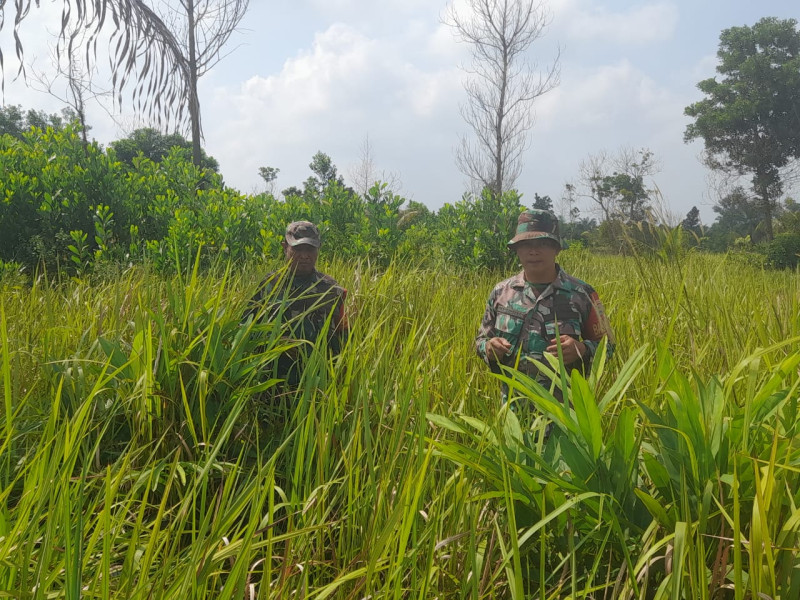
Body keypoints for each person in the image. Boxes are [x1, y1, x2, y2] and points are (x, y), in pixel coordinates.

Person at [475, 208, 613, 403]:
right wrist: (488, 348)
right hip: (513, 411)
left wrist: (582, 349)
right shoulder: (500, 292)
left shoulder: (583, 294)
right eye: (526, 244)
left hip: (564, 413)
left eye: (543, 243)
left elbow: (609, 347)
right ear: (516, 249)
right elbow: (481, 340)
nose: (533, 251)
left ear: (557, 248)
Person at [244, 221, 348, 388]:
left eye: (310, 249)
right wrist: (275, 342)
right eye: (298, 249)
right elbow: (246, 328)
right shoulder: (270, 284)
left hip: (317, 382)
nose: (305, 255)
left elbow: (342, 336)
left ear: (318, 248)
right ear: (285, 247)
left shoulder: (331, 289)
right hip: (271, 382)